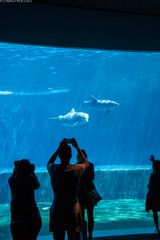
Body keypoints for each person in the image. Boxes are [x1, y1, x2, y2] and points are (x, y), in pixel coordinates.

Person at [47, 138, 89, 240]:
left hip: (57, 208)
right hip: (73, 209)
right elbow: (86, 164)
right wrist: (77, 147)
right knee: (74, 237)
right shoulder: (76, 169)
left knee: (58, 237)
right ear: (71, 155)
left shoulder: (54, 169)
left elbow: (49, 163)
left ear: (59, 156)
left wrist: (59, 148)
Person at [8, 159, 42, 240]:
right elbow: (37, 185)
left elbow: (13, 176)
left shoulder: (13, 181)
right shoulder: (31, 179)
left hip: (17, 218)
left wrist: (17, 168)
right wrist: (32, 172)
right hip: (32, 217)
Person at [77, 150, 96, 240]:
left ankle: (89, 235)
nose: (79, 157)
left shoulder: (88, 165)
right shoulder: (90, 165)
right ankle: (85, 236)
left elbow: (91, 178)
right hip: (87, 192)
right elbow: (91, 178)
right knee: (83, 216)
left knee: (89, 215)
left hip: (85, 193)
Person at [146, 154, 160, 235]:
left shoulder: (153, 174)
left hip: (154, 196)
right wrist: (153, 160)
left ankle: (157, 228)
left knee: (155, 212)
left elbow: (150, 185)